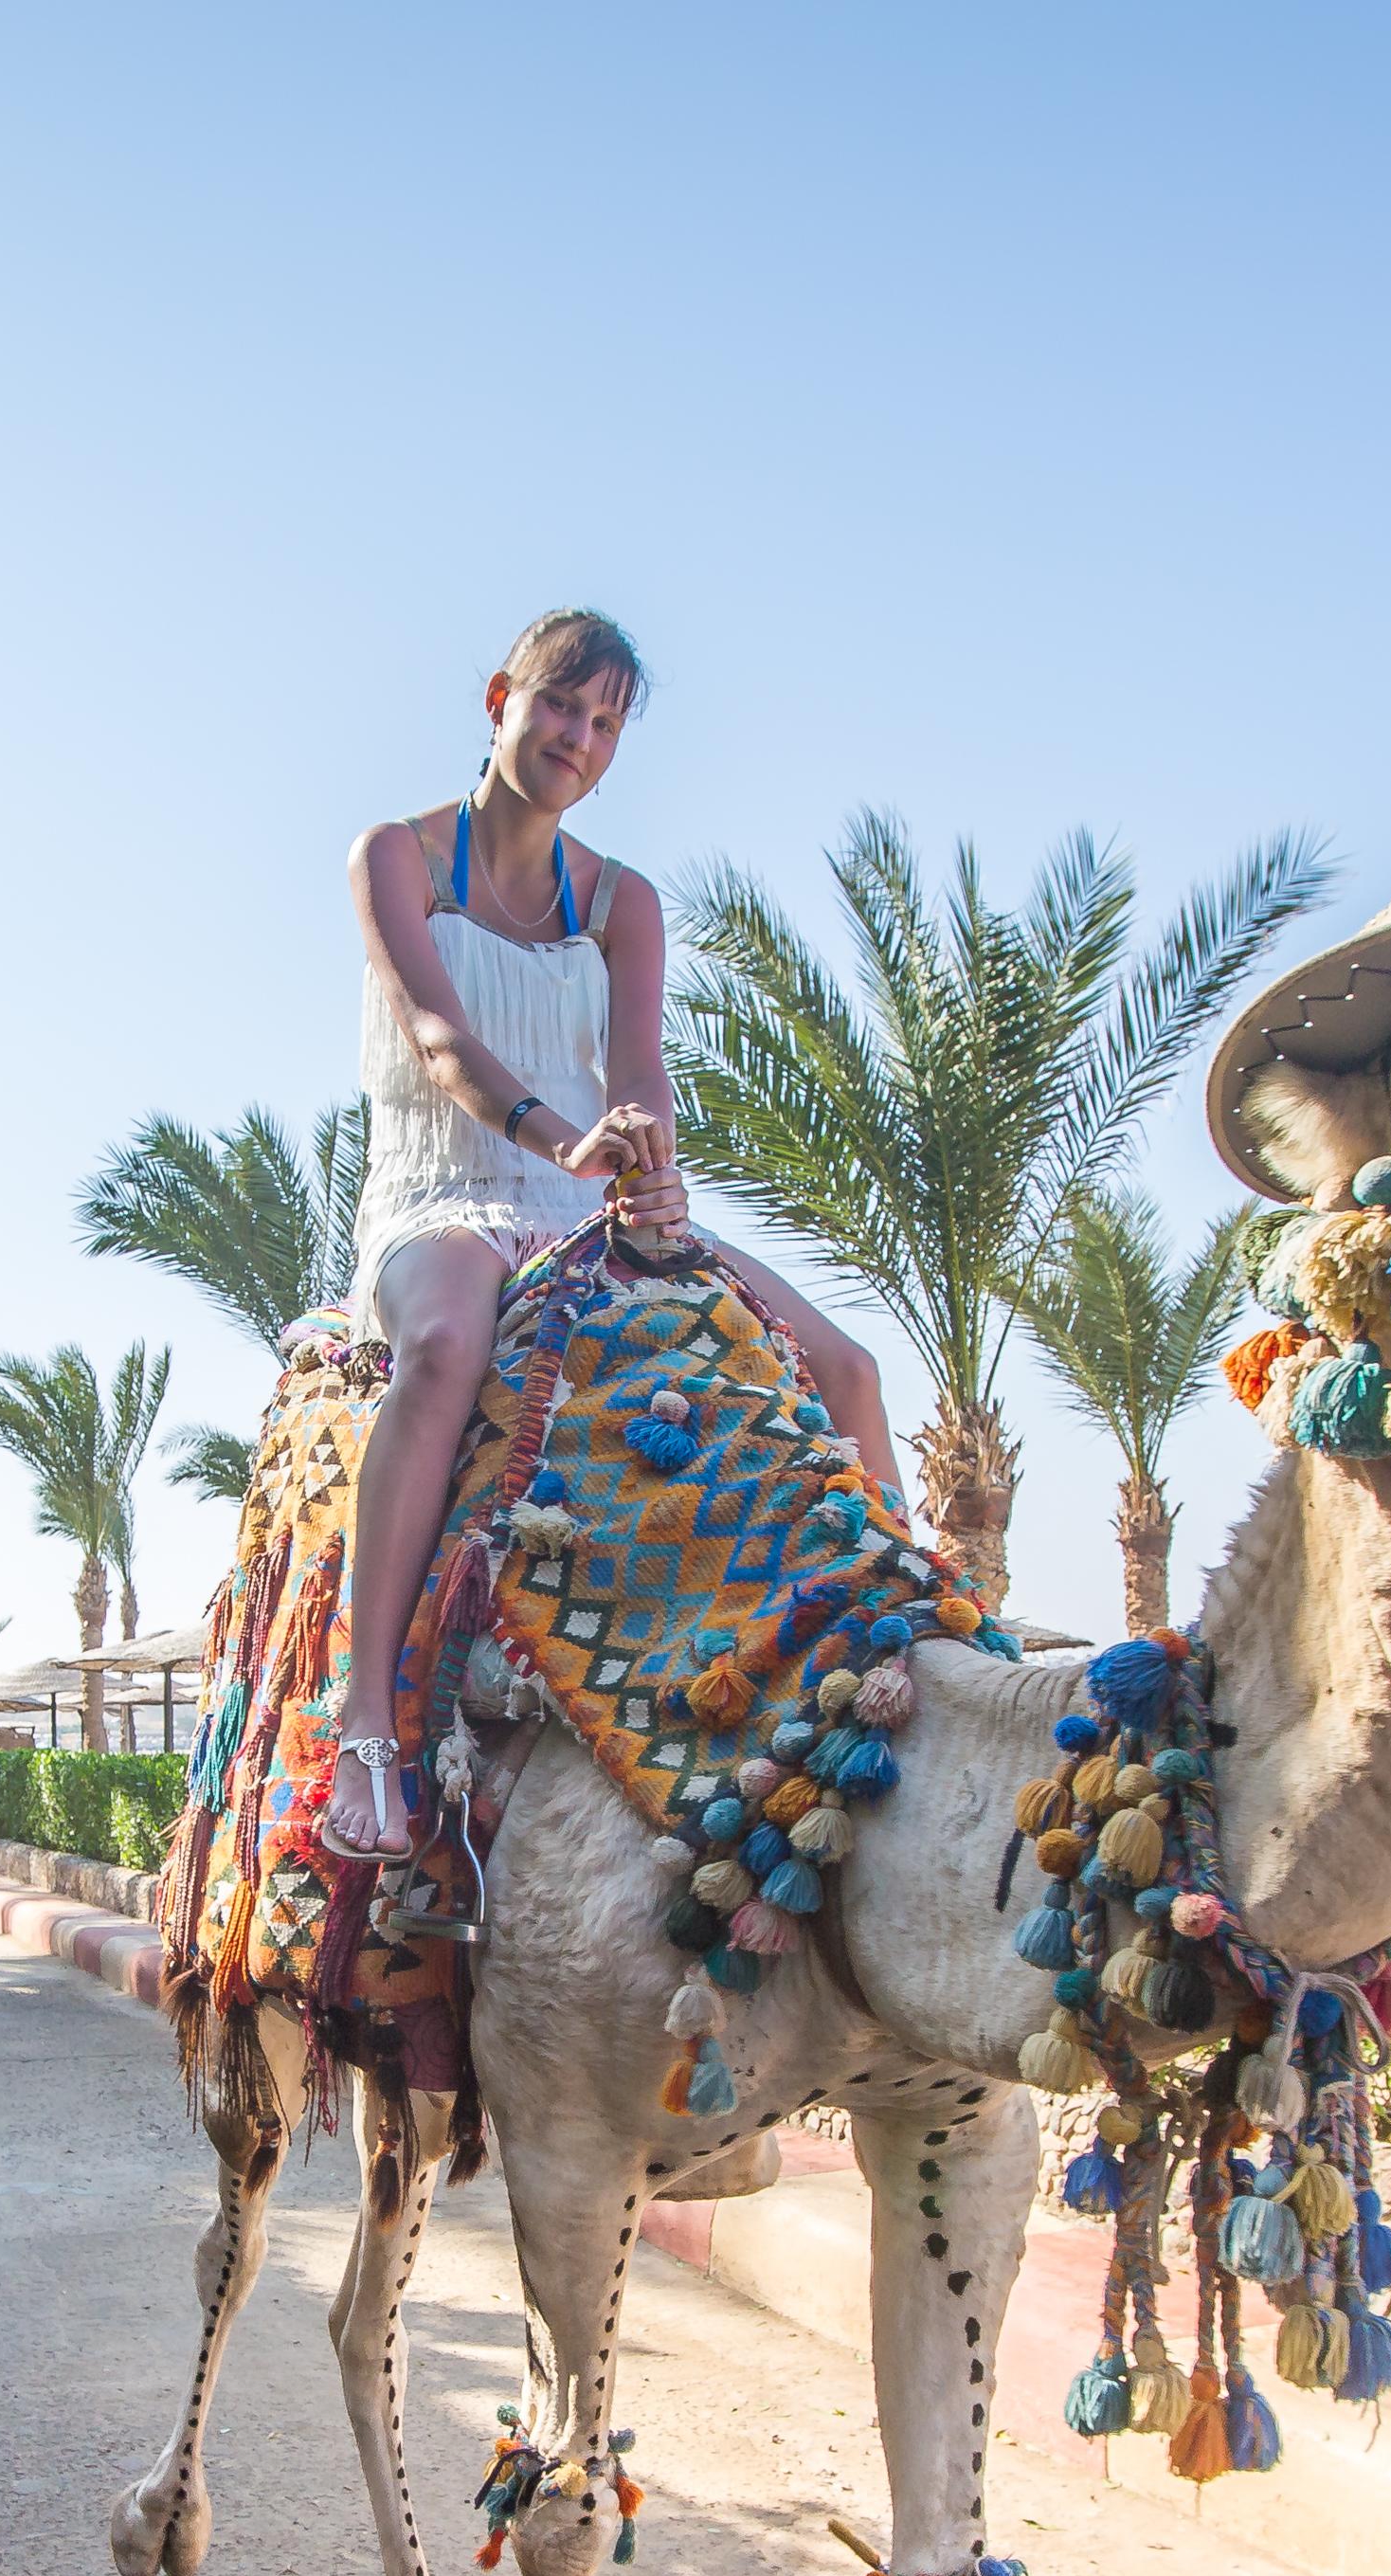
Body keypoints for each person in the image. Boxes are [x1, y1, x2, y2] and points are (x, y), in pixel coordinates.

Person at [316, 610, 899, 1859]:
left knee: (845, 1368)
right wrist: (552, 1135)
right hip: (446, 1191)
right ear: (499, 698)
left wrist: (653, 1188)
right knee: (443, 1348)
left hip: (583, 1200)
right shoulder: (398, 856)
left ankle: (901, 1661)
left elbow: (639, 1075)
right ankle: (364, 1721)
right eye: (558, 707)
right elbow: (435, 1042)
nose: (576, 737)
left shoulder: (622, 900)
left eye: (603, 723)